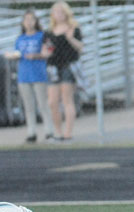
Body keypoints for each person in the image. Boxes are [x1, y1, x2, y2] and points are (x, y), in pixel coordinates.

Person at [4, 10, 54, 143]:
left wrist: (36, 55)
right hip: (24, 75)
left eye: (31, 19)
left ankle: (49, 132)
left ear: (36, 21)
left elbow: (49, 51)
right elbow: (18, 53)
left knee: (43, 104)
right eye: (26, 19)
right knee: (28, 105)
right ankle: (31, 132)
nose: (29, 22)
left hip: (38, 74)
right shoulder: (20, 38)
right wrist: (12, 55)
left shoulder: (41, 35)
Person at [41, 1, 83, 141]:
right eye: (56, 12)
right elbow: (45, 50)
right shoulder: (48, 32)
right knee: (52, 102)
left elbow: (80, 47)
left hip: (68, 65)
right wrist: (45, 53)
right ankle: (58, 132)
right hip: (53, 66)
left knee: (67, 99)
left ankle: (68, 133)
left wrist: (70, 38)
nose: (59, 15)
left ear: (66, 13)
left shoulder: (73, 28)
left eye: (61, 12)